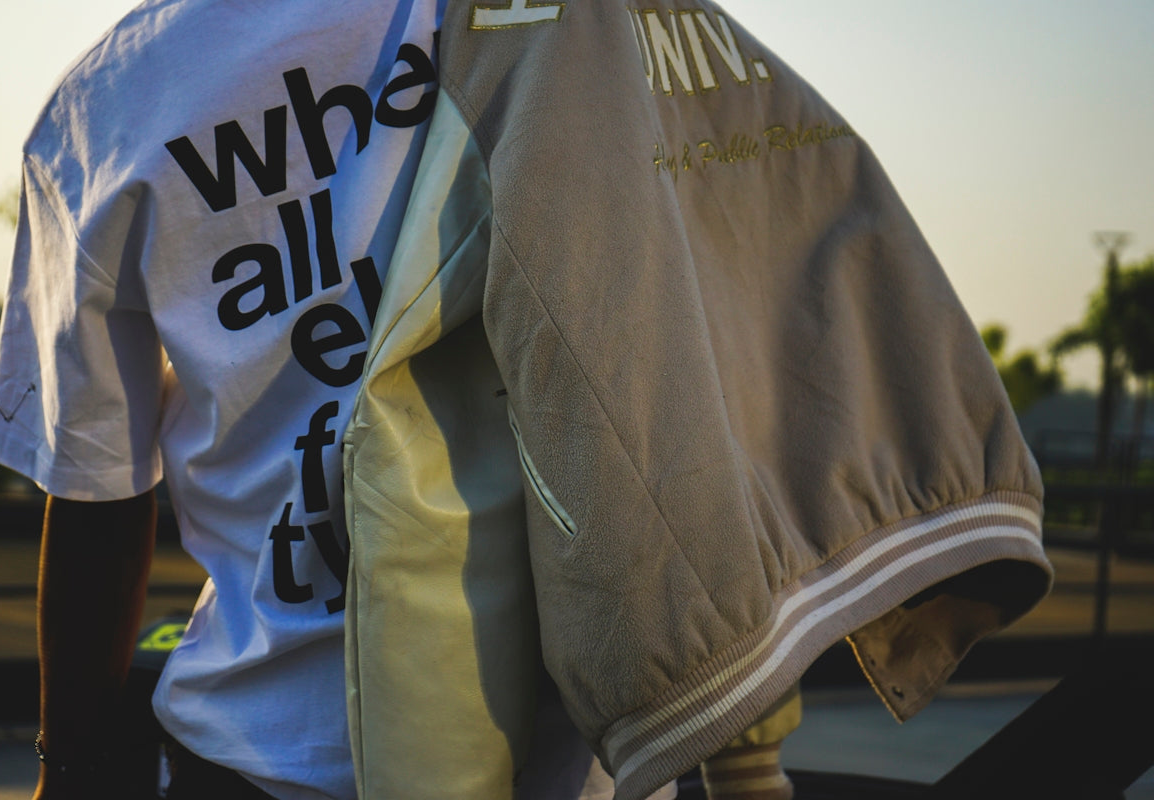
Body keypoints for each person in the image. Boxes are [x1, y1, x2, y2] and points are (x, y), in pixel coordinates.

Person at [335, 1, 1054, 799]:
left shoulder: (547, 25)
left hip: (291, 716)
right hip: (526, 745)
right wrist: (750, 754)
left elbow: (421, 421)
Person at [0, 0, 678, 797]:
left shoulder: (100, 114)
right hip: (588, 740)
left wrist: (67, 772)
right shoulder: (576, 20)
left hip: (258, 744)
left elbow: (96, 497)